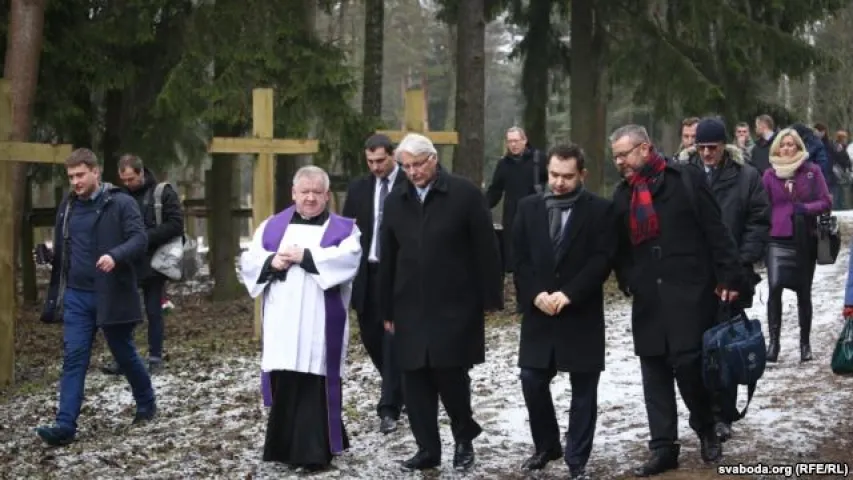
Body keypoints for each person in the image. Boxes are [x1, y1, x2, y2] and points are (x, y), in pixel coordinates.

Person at [609, 125, 743, 476]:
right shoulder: (622, 195)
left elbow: (717, 230)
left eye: (624, 154)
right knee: (653, 370)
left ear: (645, 148)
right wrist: (629, 280)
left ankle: (705, 427)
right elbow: (620, 248)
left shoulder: (685, 179)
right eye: (615, 157)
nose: (619, 162)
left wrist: (729, 277)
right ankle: (662, 446)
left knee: (688, 365)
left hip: (691, 291)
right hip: (649, 298)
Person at [379, 133, 504, 472]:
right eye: (406, 167)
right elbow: (387, 257)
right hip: (408, 305)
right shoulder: (396, 200)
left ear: (433, 159)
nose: (413, 172)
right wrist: (386, 309)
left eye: (418, 165)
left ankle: (464, 437)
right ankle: (427, 449)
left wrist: (490, 296)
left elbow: (486, 249)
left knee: (451, 376)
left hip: (455, 303)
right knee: (415, 379)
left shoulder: (464, 194)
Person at [238, 165, 362, 472]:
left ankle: (315, 452)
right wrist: (273, 260)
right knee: (288, 378)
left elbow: (348, 259)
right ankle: (283, 447)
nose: (309, 199)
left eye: (316, 193)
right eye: (304, 192)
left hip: (319, 321)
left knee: (315, 382)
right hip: (283, 319)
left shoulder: (344, 229)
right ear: (293, 193)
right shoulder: (271, 227)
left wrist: (303, 257)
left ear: (327, 195)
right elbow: (250, 260)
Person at [35, 148, 156, 446]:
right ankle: (65, 425)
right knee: (74, 358)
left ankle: (146, 401)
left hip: (111, 293)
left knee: (123, 352)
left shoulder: (121, 203)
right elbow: (71, 246)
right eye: (71, 176)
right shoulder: (69, 205)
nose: (75, 181)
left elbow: (139, 239)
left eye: (80, 175)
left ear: (95, 172)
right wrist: (52, 255)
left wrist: (116, 256)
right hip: (76, 296)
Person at [512, 144, 614, 479]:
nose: (558, 182)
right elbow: (520, 260)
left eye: (567, 177)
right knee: (531, 379)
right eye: (554, 175)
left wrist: (569, 294)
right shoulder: (528, 208)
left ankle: (577, 458)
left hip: (580, 313)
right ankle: (547, 445)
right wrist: (535, 294)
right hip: (540, 312)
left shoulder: (600, 210)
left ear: (582, 175)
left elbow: (602, 259)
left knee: (584, 390)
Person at [674, 117, 770, 441]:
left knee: (724, 347)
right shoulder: (681, 176)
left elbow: (758, 221)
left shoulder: (746, 178)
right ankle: (701, 412)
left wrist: (738, 265)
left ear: (723, 145)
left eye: (711, 147)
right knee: (693, 350)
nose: (705, 153)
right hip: (691, 277)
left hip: (731, 274)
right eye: (700, 147)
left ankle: (722, 414)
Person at [341, 134, 406, 434]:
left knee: (393, 339)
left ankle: (389, 406)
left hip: (400, 273)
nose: (376, 167)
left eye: (381, 160)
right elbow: (347, 230)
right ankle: (401, 386)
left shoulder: (409, 183)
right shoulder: (359, 188)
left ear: (393, 156)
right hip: (367, 272)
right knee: (372, 337)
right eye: (370, 162)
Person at [102, 154, 184, 375]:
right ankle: (123, 358)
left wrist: (144, 238)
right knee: (122, 312)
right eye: (124, 180)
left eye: (131, 179)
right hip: (125, 262)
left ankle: (155, 357)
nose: (128, 184)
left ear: (141, 172)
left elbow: (176, 224)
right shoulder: (116, 198)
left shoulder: (162, 193)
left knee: (154, 311)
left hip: (153, 263)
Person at [762, 128, 832, 363]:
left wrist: (805, 209)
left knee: (804, 292)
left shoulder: (812, 171)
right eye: (783, 144)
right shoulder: (770, 175)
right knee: (774, 289)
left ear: (799, 147)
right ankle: (773, 344)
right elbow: (763, 205)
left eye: (791, 144)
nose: (787, 148)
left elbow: (826, 201)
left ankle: (805, 344)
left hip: (804, 238)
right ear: (777, 148)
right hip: (777, 239)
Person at [485, 127, 548, 309]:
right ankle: (523, 300)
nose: (513, 144)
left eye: (516, 140)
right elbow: (495, 190)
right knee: (518, 260)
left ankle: (541, 295)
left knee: (538, 257)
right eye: (510, 141)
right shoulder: (504, 164)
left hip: (538, 216)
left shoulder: (539, 160)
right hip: (513, 218)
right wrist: (481, 207)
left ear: (524, 140)